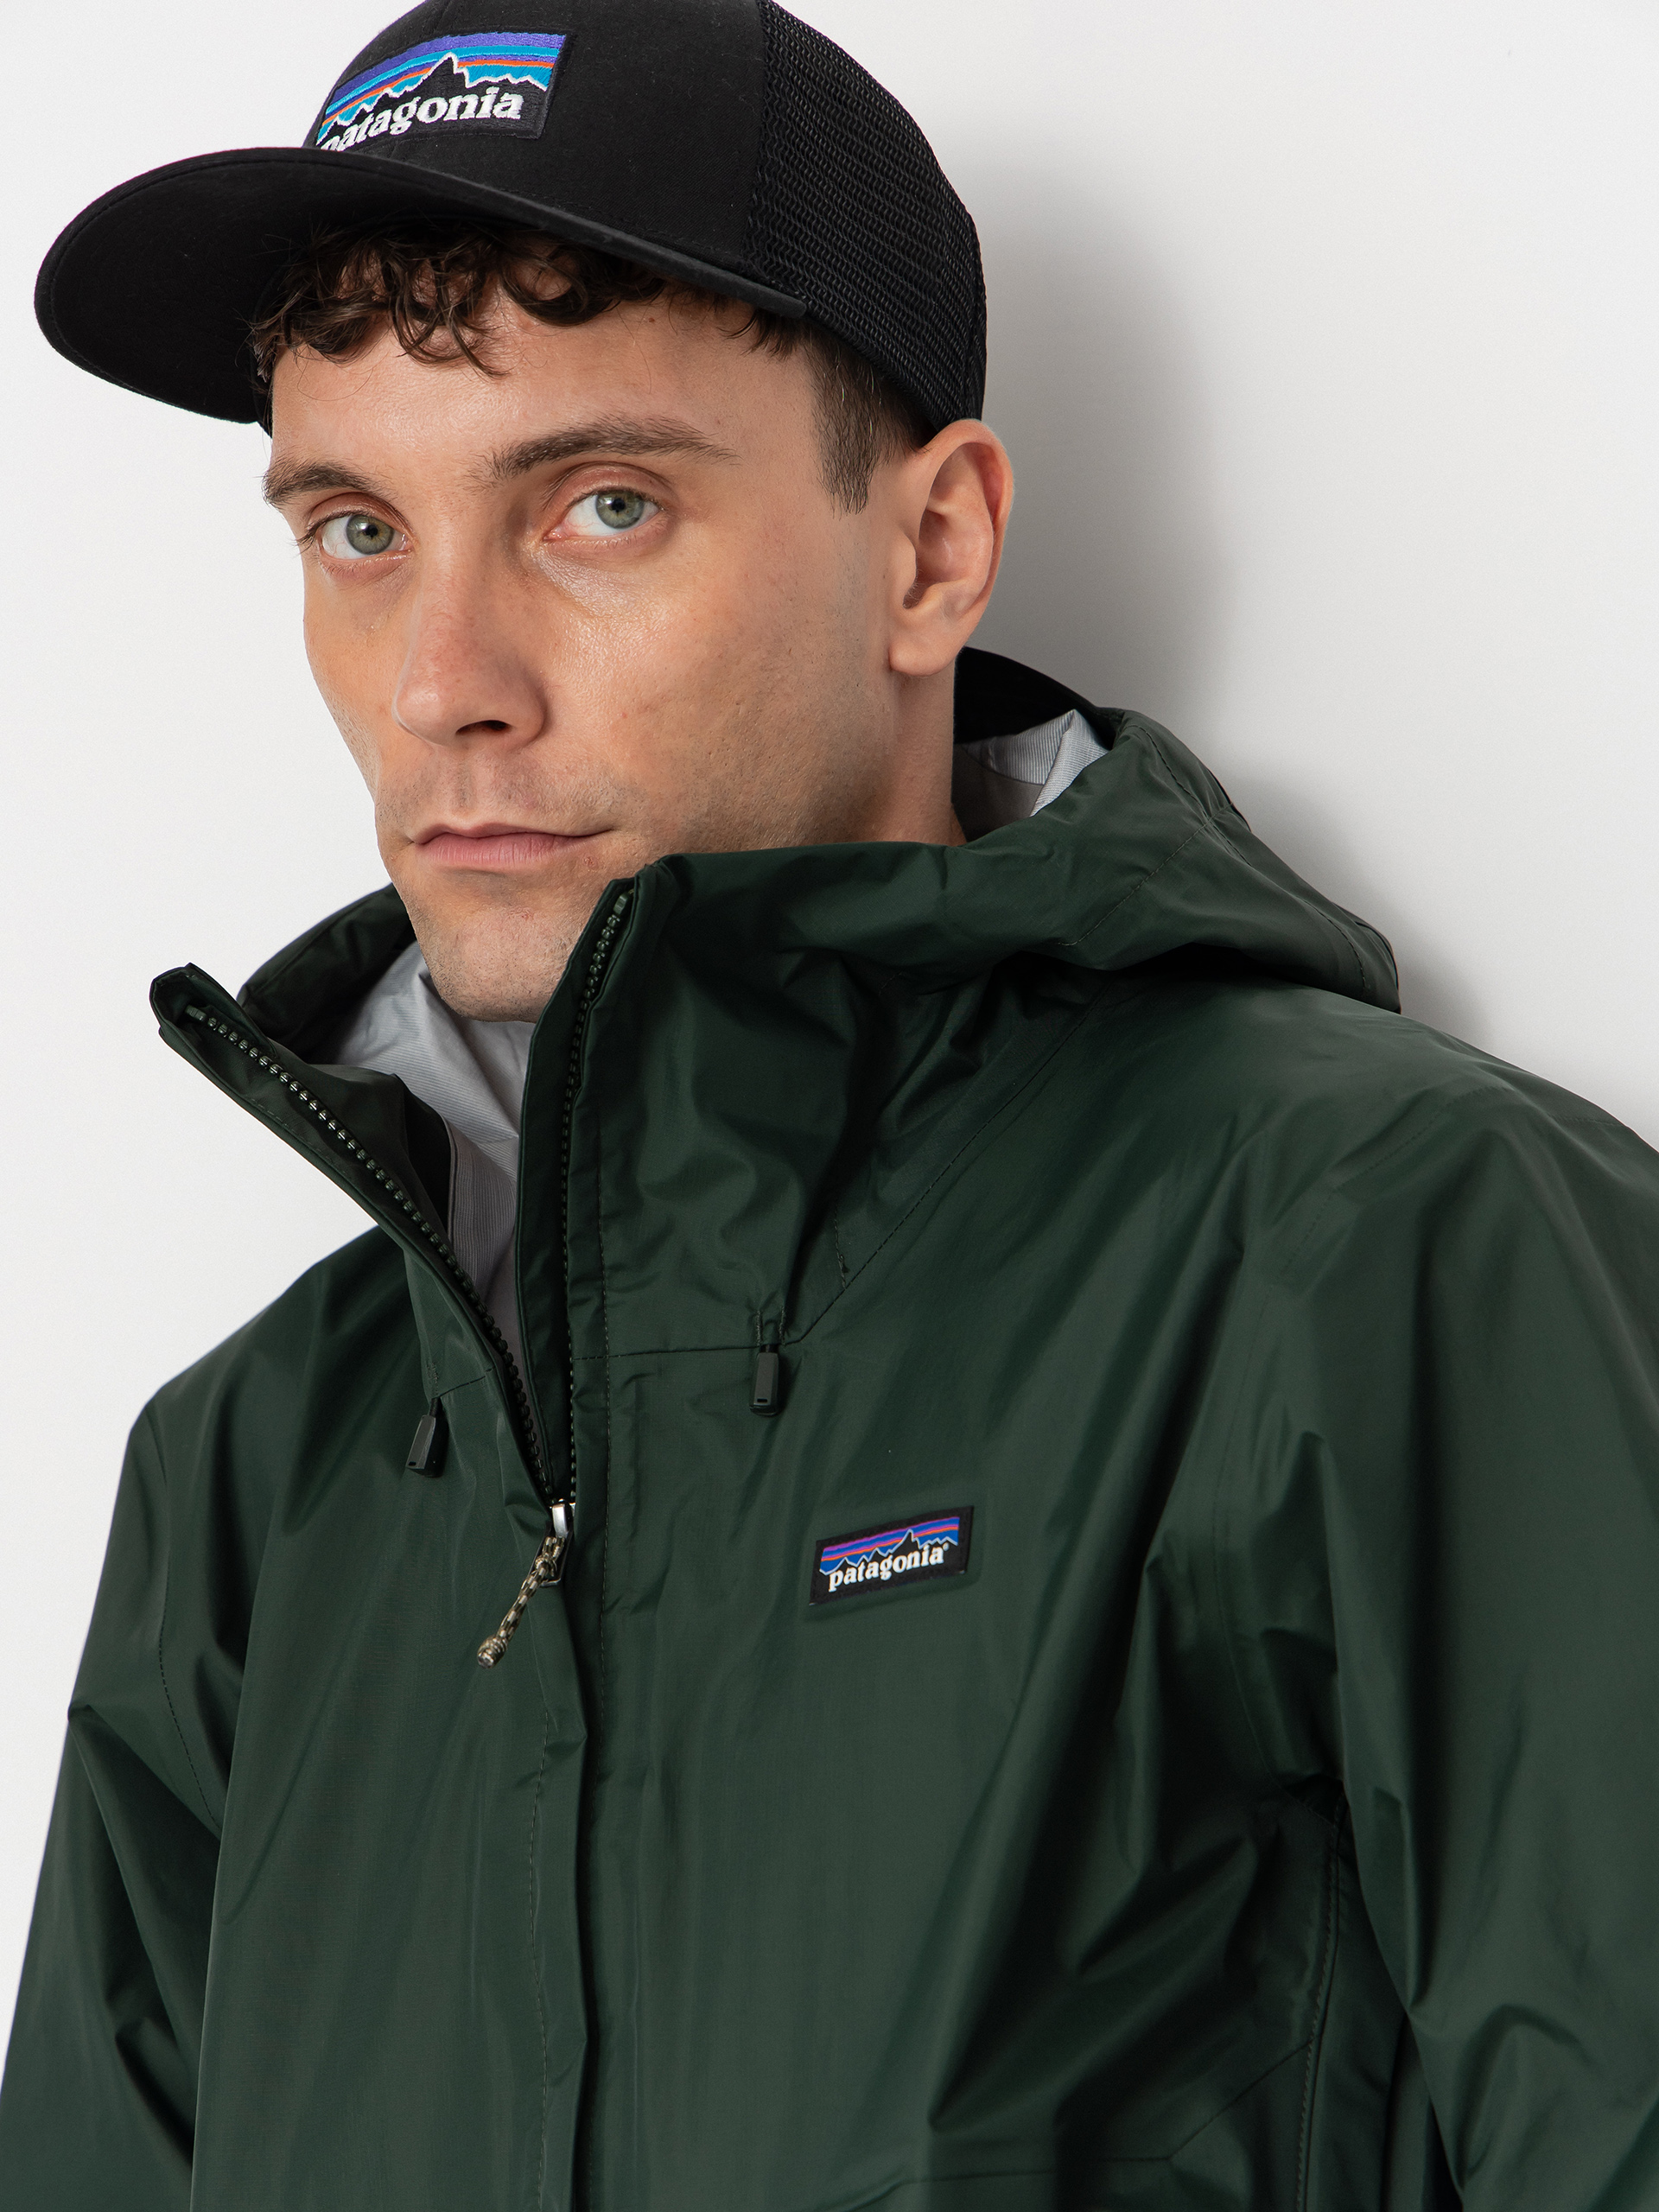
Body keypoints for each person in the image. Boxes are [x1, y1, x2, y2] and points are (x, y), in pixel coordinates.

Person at [4, 1, 1658, 2206]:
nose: (442, 684)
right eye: (357, 527)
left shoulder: (1379, 1247)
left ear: (933, 548)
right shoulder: (253, 1473)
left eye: (599, 505)